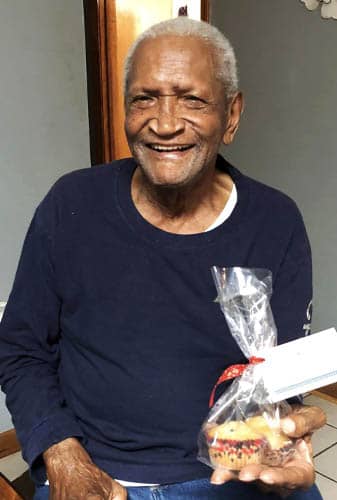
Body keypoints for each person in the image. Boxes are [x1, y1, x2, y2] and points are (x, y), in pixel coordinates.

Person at [0, 17, 326, 500]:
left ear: (231, 116)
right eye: (144, 98)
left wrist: (281, 428)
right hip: (94, 467)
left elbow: (276, 374)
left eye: (192, 100)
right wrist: (62, 455)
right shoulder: (70, 205)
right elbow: (21, 348)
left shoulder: (276, 221)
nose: (165, 122)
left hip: (226, 466)